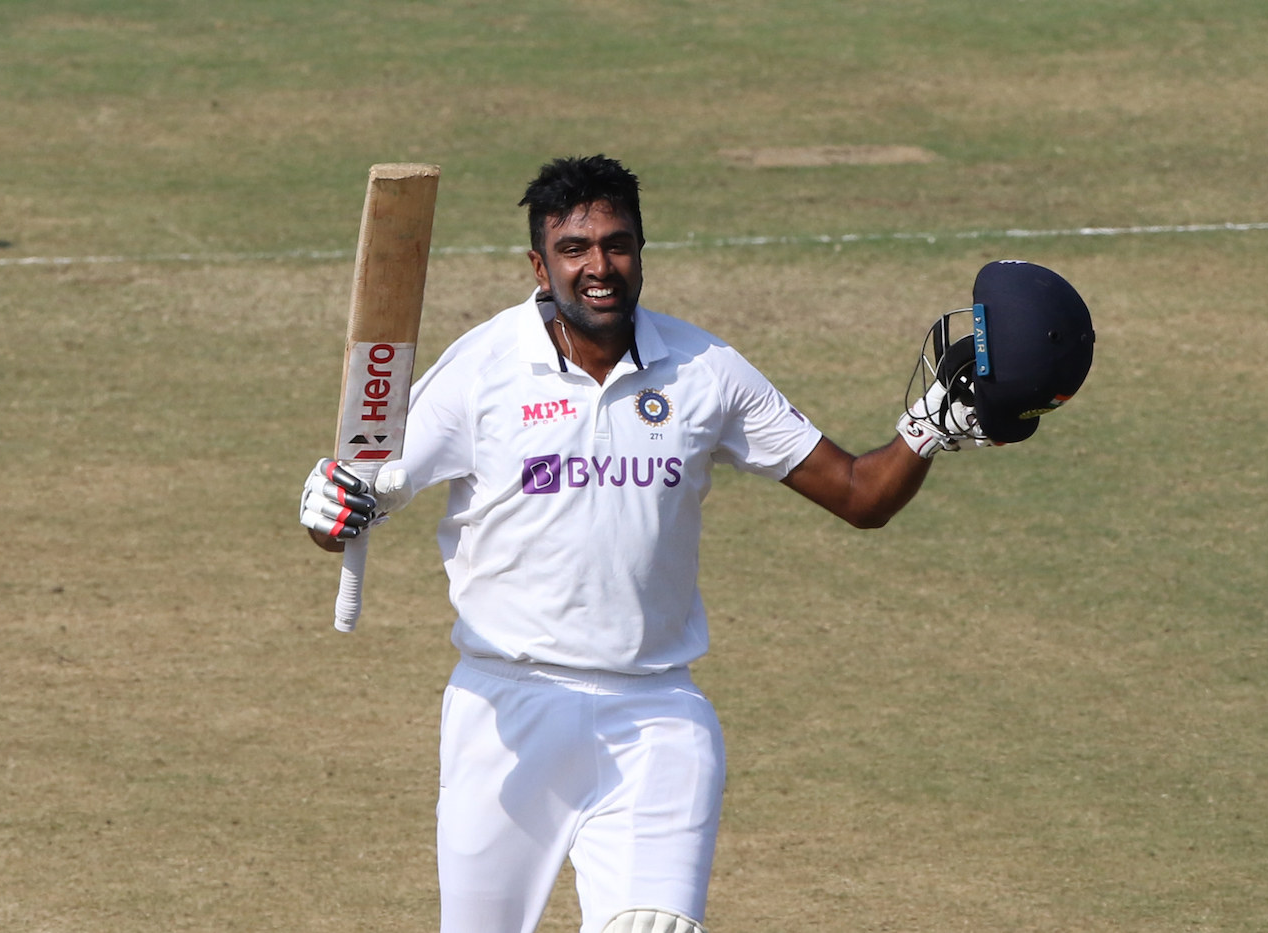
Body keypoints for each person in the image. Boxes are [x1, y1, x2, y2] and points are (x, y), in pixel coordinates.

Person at [300, 155, 979, 933]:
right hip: (504, 712)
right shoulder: (482, 370)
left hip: (655, 714)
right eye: (576, 249)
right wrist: (332, 508)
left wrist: (930, 426)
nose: (599, 267)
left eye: (618, 245)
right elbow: (362, 495)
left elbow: (860, 494)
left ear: (642, 249)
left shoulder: (706, 371)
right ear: (539, 263)